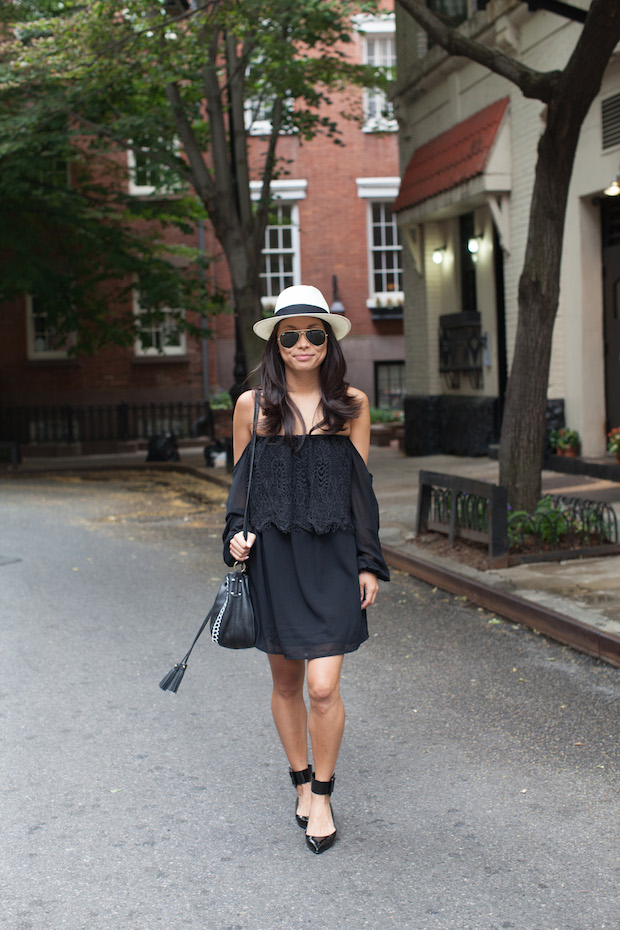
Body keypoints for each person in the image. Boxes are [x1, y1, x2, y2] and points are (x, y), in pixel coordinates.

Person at [223, 284, 390, 854]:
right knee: (287, 682)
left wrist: (369, 563)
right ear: (275, 341)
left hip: (334, 559)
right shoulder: (252, 407)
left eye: (313, 334)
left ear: (327, 342)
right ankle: (300, 781)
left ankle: (323, 792)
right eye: (289, 334)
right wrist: (235, 537)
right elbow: (241, 493)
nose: (302, 344)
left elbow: (360, 493)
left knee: (324, 687)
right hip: (274, 559)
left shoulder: (353, 405)